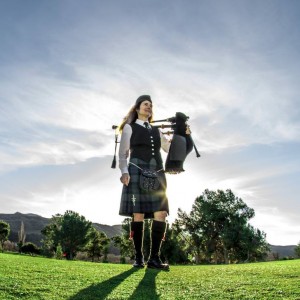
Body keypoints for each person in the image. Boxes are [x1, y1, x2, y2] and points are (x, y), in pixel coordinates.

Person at [118, 95, 171, 270]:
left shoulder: (157, 131)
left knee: (161, 213)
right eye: (145, 104)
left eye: (151, 105)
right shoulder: (129, 127)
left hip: (157, 172)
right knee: (138, 214)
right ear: (137, 108)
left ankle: (154, 258)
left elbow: (168, 149)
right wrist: (124, 172)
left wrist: (182, 136)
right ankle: (139, 257)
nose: (149, 107)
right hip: (136, 171)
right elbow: (123, 152)